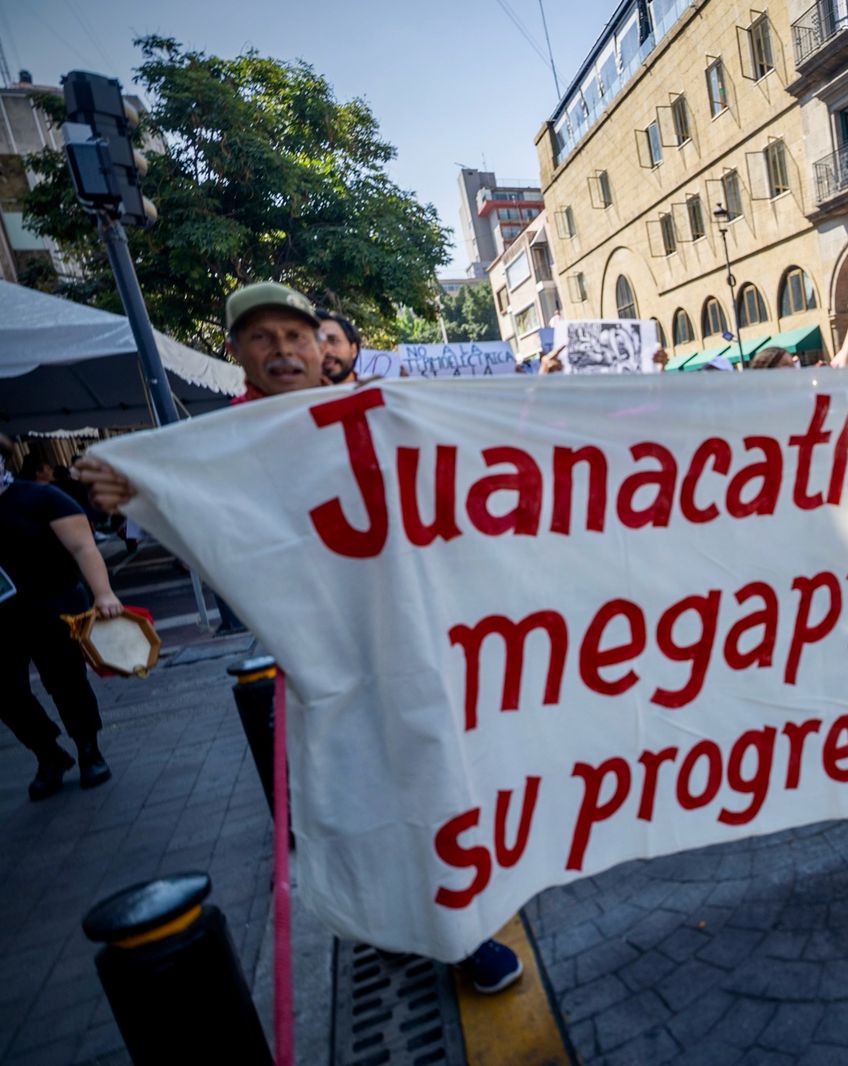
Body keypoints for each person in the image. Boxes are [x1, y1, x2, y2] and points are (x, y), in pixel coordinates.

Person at [77, 280, 526, 996]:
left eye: (296, 335)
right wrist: (126, 486)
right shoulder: (216, 446)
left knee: (440, 789)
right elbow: (180, 511)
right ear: (236, 354)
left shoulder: (382, 417)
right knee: (365, 807)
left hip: (418, 650)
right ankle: (401, 919)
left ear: (324, 348)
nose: (283, 350)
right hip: (322, 668)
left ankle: (462, 933)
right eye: (263, 338)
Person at [1, 434, 121, 800]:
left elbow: (84, 547)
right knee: (6, 692)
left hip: (53, 604)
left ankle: (89, 750)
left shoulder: (41, 497)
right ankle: (48, 753)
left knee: (65, 680)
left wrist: (103, 593)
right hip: (3, 618)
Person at [316, 309, 361, 385]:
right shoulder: (294, 394)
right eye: (317, 342)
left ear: (353, 350)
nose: (326, 350)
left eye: (333, 341)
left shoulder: (376, 392)